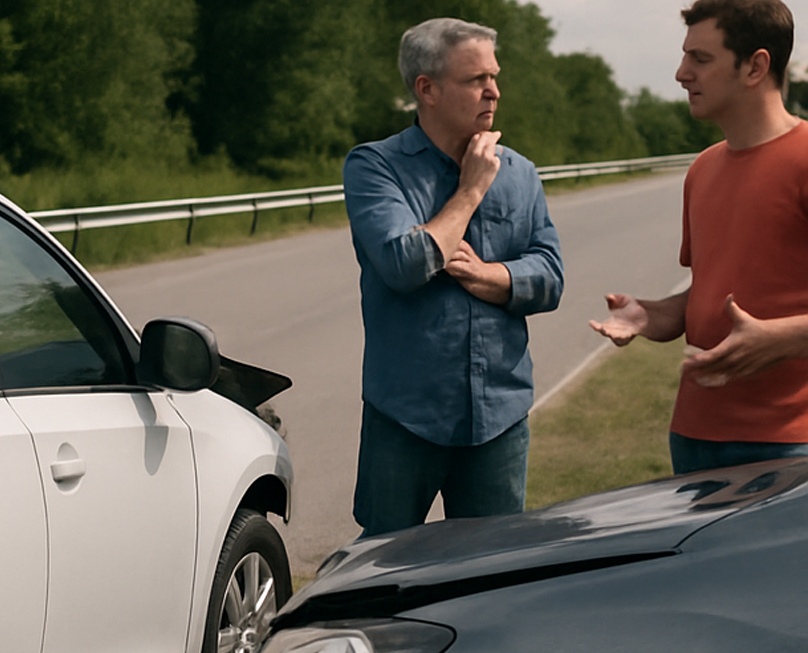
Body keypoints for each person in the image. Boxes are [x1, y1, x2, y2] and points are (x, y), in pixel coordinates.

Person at [344, 17, 564, 537]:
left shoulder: (521, 172)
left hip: (499, 419)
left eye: (494, 76)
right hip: (405, 416)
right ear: (428, 89)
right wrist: (469, 192)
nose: (494, 91)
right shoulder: (375, 167)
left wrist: (492, 276)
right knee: (385, 570)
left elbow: (550, 276)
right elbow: (404, 264)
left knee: (492, 573)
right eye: (476, 80)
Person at [590, 0, 808, 475]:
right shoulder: (702, 168)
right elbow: (713, 288)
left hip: (790, 443)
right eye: (685, 55)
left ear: (756, 66)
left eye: (700, 59)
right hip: (693, 436)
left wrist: (784, 337)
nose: (680, 73)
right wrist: (653, 314)